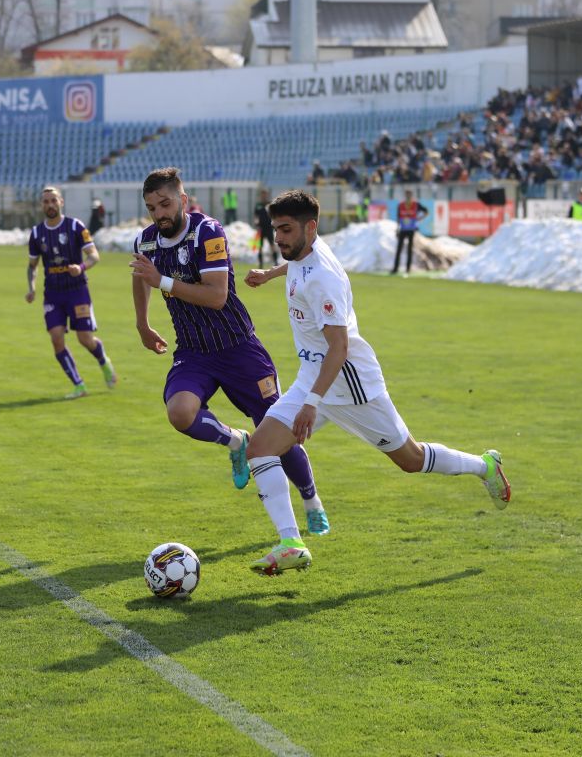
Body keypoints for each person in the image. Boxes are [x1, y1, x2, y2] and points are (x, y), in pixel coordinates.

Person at [242, 189, 510, 575]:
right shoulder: (306, 253)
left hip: (350, 385)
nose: (278, 238)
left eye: (285, 230)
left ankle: (484, 465)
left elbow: (339, 347)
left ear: (310, 227)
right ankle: (290, 543)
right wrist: (271, 273)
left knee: (411, 460)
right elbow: (300, 267)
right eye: (275, 229)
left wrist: (311, 402)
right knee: (260, 449)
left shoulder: (324, 279)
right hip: (313, 378)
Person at [129, 168, 328, 537]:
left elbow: (217, 296)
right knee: (180, 413)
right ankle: (238, 441)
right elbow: (141, 276)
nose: (159, 214)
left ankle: (311, 500)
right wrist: (142, 323)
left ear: (183, 200)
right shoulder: (146, 241)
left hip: (239, 349)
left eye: (166, 203)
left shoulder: (208, 232)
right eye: (152, 207)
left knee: (279, 433)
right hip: (194, 352)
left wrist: (163, 281)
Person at [25, 186, 117, 399]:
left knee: (85, 339)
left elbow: (94, 255)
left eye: (53, 201)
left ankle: (103, 361)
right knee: (56, 338)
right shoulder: (37, 233)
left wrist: (81, 267)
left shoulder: (75, 226)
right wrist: (31, 288)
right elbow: (32, 265)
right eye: (46, 201)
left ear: (61, 202)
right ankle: (79, 385)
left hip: (77, 291)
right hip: (53, 293)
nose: (50, 205)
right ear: (42, 205)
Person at [391, 189, 428, 274]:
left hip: (411, 229)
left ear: (411, 196)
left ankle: (408, 268)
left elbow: (426, 211)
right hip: (403, 229)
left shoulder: (415, 205)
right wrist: (397, 228)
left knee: (410, 249)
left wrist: (419, 219)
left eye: (409, 195)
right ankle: (395, 268)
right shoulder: (401, 205)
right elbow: (398, 217)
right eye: (407, 195)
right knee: (399, 249)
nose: (408, 196)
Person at [253, 187, 279, 268]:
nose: (263, 196)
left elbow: (274, 215)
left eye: (265, 194)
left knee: (272, 245)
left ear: (267, 195)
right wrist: (256, 222)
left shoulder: (270, 204)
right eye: (262, 194)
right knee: (260, 246)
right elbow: (256, 216)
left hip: (269, 228)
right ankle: (261, 264)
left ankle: (275, 262)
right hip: (260, 229)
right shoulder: (258, 205)